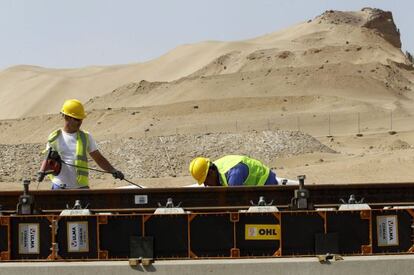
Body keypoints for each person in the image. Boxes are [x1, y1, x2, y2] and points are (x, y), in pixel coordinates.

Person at [45, 99, 124, 189]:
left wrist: (113, 170)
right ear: (66, 117)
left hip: (81, 188)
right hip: (59, 186)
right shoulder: (54, 137)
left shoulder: (86, 137)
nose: (80, 122)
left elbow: (99, 158)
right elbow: (47, 162)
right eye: (77, 119)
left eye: (81, 119)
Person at [189, 155, 278, 186]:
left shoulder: (233, 175)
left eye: (205, 180)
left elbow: (237, 203)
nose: (205, 184)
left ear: (211, 172)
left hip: (266, 183)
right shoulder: (216, 168)